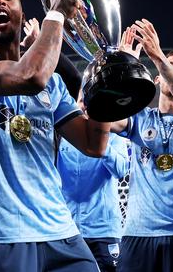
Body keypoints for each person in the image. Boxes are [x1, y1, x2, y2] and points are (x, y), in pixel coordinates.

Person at [0, 0, 111, 272]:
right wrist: (57, 15)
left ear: (22, 16)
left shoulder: (55, 83)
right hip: (4, 234)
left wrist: (106, 93)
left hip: (60, 229)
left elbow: (93, 144)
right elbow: (29, 76)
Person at [110, 20, 173, 272]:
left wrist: (158, 57)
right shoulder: (140, 118)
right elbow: (104, 113)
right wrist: (123, 67)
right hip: (137, 235)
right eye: (171, 66)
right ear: (157, 80)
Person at [57, 89, 129, 272]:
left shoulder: (114, 136)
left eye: (90, 103)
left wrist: (100, 141)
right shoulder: (64, 137)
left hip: (104, 230)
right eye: (81, 101)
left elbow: (121, 170)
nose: (84, 107)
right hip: (69, 230)